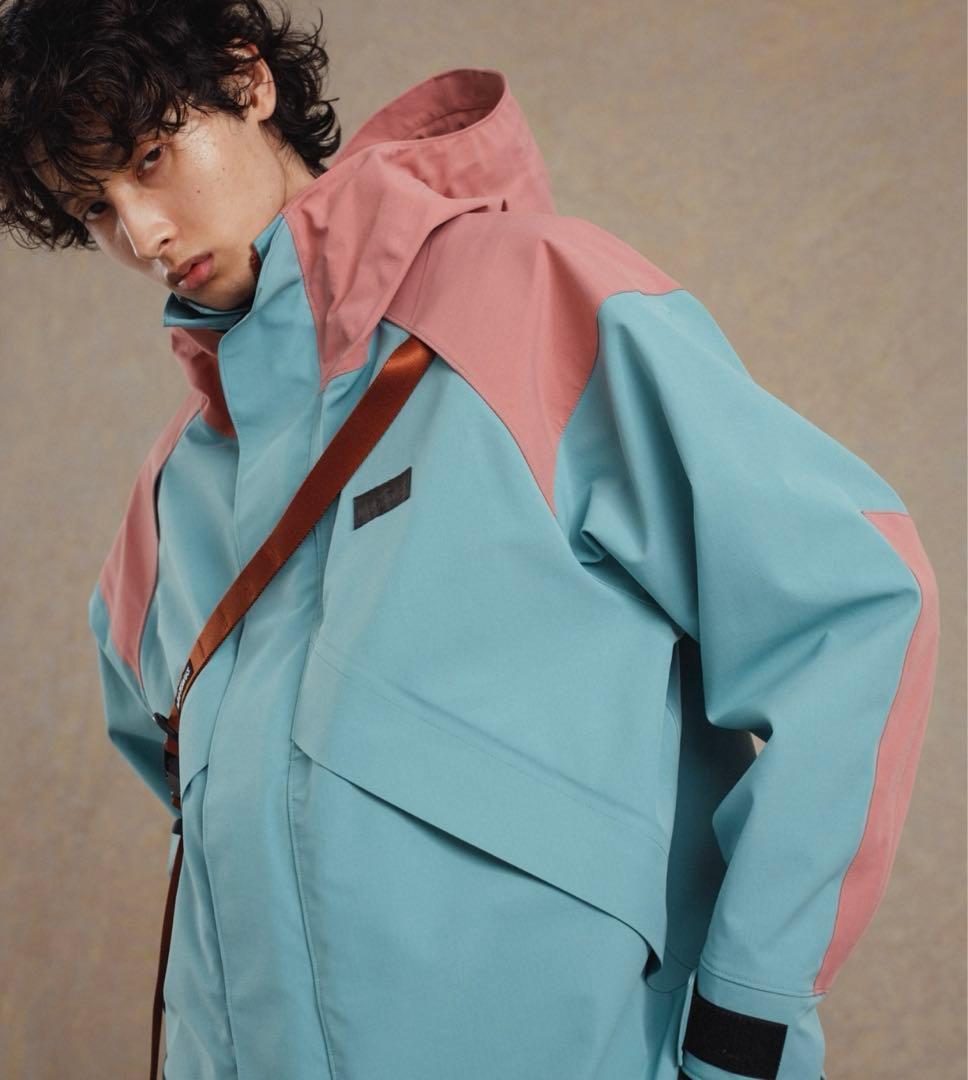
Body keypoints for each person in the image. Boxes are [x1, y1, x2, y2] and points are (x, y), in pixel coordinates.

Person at [0, 2, 941, 1078]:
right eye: (95, 207)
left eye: (150, 159)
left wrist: (746, 1021)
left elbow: (848, 609)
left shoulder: (529, 301)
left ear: (248, 81)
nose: (142, 234)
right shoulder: (174, 490)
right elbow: (186, 779)